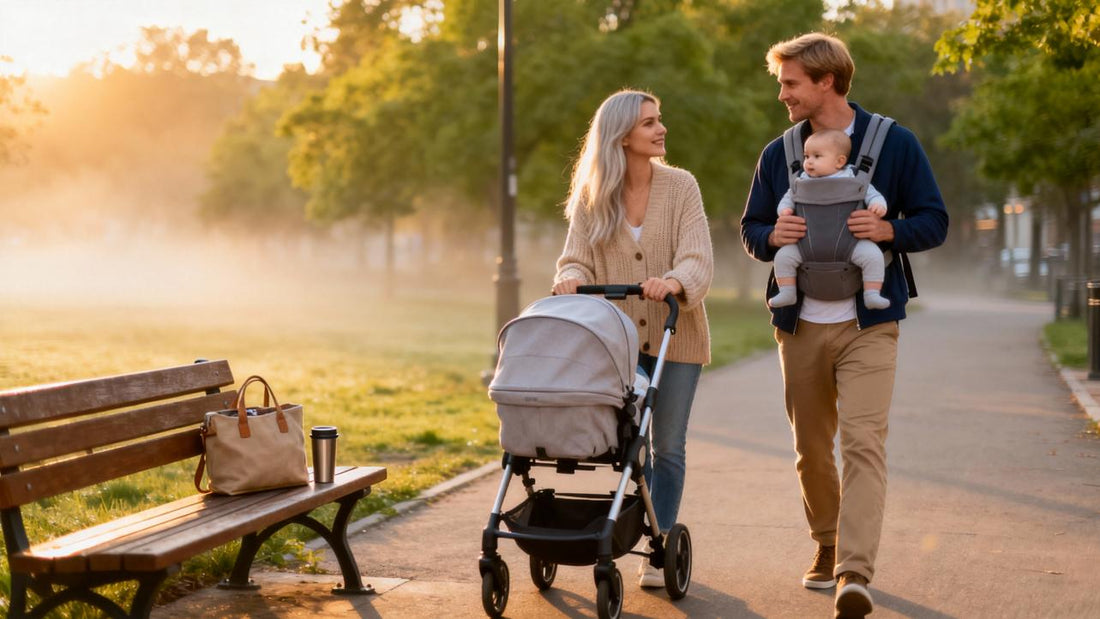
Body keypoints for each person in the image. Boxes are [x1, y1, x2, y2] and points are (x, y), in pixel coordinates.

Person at [740, 33, 948, 619]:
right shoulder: (779, 154)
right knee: (811, 449)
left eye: (790, 83)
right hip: (799, 325)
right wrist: (770, 237)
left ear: (826, 81)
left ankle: (854, 573)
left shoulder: (895, 143)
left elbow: (934, 221)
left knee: (862, 444)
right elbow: (751, 228)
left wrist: (889, 231)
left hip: (870, 324)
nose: (782, 95)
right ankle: (827, 541)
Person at [552, 89, 713, 588]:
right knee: (630, 447)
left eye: (658, 120)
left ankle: (657, 547)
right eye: (649, 123)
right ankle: (629, 529)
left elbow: (698, 256)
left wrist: (675, 282)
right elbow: (575, 258)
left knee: (669, 447)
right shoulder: (592, 197)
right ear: (622, 136)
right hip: (617, 343)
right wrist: (570, 278)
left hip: (676, 337)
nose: (661, 129)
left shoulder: (681, 186)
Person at [769, 129, 890, 310]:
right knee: (783, 257)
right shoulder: (801, 180)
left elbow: (872, 194)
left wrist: (878, 205)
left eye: (817, 156)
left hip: (850, 244)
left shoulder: (853, 177)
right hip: (806, 245)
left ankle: (872, 293)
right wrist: (784, 210)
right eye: (806, 156)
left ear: (839, 161)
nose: (809, 161)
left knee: (873, 256)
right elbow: (789, 197)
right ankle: (787, 291)